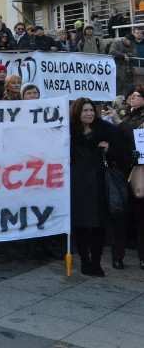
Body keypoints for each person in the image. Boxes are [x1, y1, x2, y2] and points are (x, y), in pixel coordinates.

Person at [69, 97, 126, 277]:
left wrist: (109, 150)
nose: (89, 114)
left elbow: (123, 153)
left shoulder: (106, 130)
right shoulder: (69, 131)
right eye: (85, 111)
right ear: (78, 113)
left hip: (100, 185)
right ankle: (85, 260)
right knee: (81, 225)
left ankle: (96, 260)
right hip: (78, 185)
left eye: (91, 110)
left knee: (99, 225)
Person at [102, 86, 144, 270]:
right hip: (122, 170)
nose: (132, 99)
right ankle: (117, 256)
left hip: (140, 171)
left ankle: (142, 257)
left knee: (141, 217)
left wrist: (118, 122)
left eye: (137, 96)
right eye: (131, 96)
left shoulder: (130, 119)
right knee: (121, 216)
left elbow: (135, 138)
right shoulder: (125, 115)